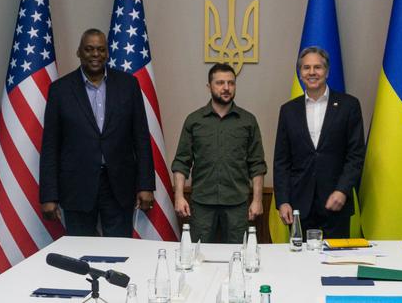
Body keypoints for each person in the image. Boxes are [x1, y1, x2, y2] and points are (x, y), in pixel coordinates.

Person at [39, 28, 154, 237]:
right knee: (80, 254)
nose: (95, 55)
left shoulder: (128, 85)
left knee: (119, 251)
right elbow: (50, 146)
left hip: (119, 186)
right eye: (89, 49)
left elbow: (142, 138)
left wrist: (146, 185)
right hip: (76, 187)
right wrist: (49, 195)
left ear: (107, 53)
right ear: (79, 52)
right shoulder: (60, 90)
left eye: (101, 49)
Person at [273, 46, 365, 238]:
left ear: (327, 71)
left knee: (336, 264)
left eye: (317, 67)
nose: (312, 72)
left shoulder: (349, 106)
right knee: (300, 264)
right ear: (300, 73)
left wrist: (343, 190)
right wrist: (283, 201)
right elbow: (281, 161)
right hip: (299, 205)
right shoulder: (288, 111)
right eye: (306, 68)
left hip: (336, 202)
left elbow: (355, 155)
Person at [171, 63, 267, 243]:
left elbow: (257, 165)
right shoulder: (194, 120)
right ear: (209, 87)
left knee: (238, 257)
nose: (226, 88)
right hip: (202, 205)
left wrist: (258, 200)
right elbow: (182, 162)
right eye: (220, 83)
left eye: (231, 83)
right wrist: (179, 196)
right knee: (199, 258)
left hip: (237, 205)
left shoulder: (248, 121)